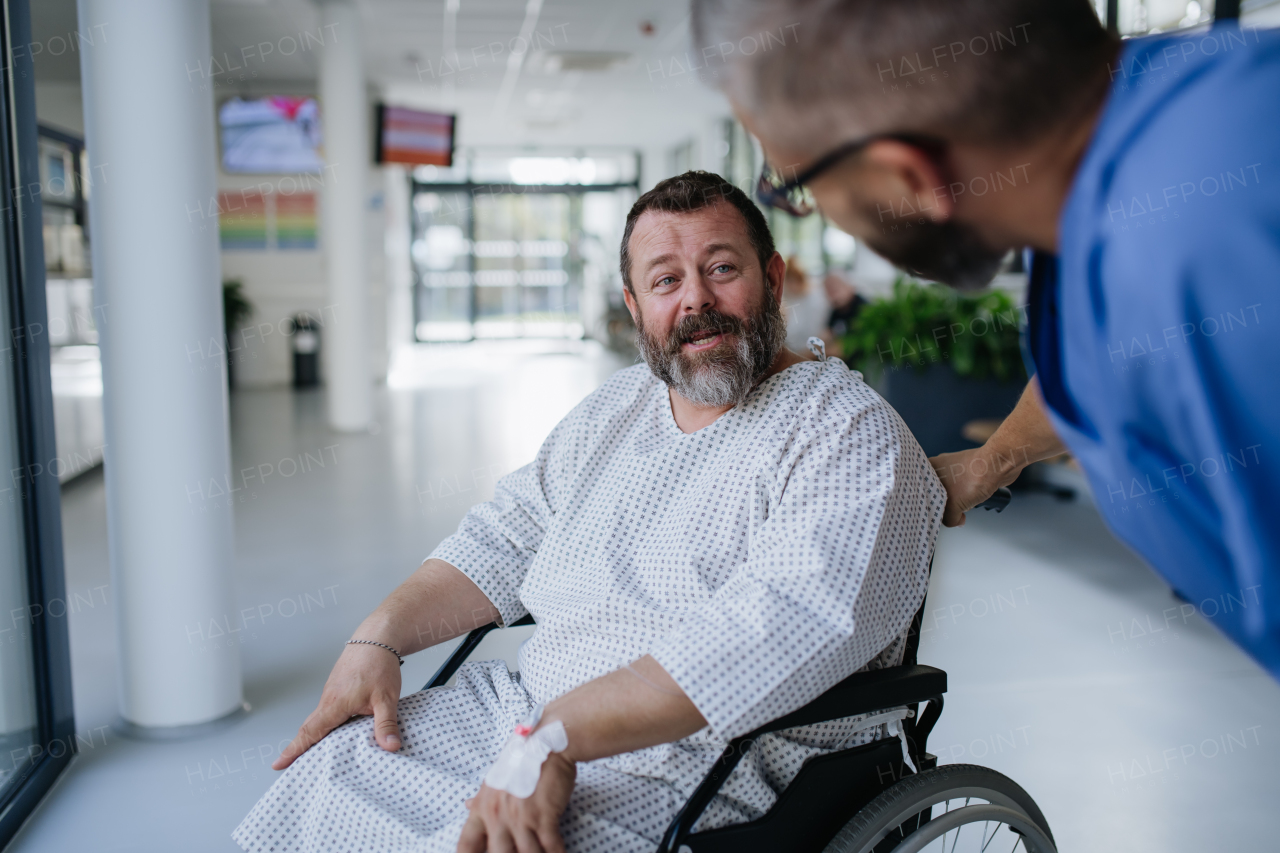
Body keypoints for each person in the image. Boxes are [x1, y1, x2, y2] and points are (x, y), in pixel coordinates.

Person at [233, 172, 943, 853]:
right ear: (635, 308)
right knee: (333, 768)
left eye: (722, 269)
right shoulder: (619, 405)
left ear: (774, 279)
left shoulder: (843, 430)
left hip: (702, 760)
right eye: (666, 280)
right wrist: (378, 637)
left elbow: (763, 637)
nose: (696, 300)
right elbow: (505, 535)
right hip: (527, 712)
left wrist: (555, 738)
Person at [691, 0, 1279, 677]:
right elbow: (1097, 368)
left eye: (795, 184)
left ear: (907, 177)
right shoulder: (1153, 124)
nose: (809, 207)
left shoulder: (1193, 260)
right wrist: (993, 460)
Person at [779, 253, 830, 353]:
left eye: (796, 282)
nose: (793, 286)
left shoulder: (815, 299)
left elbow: (818, 330)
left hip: (810, 348)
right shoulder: (784, 299)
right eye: (790, 281)